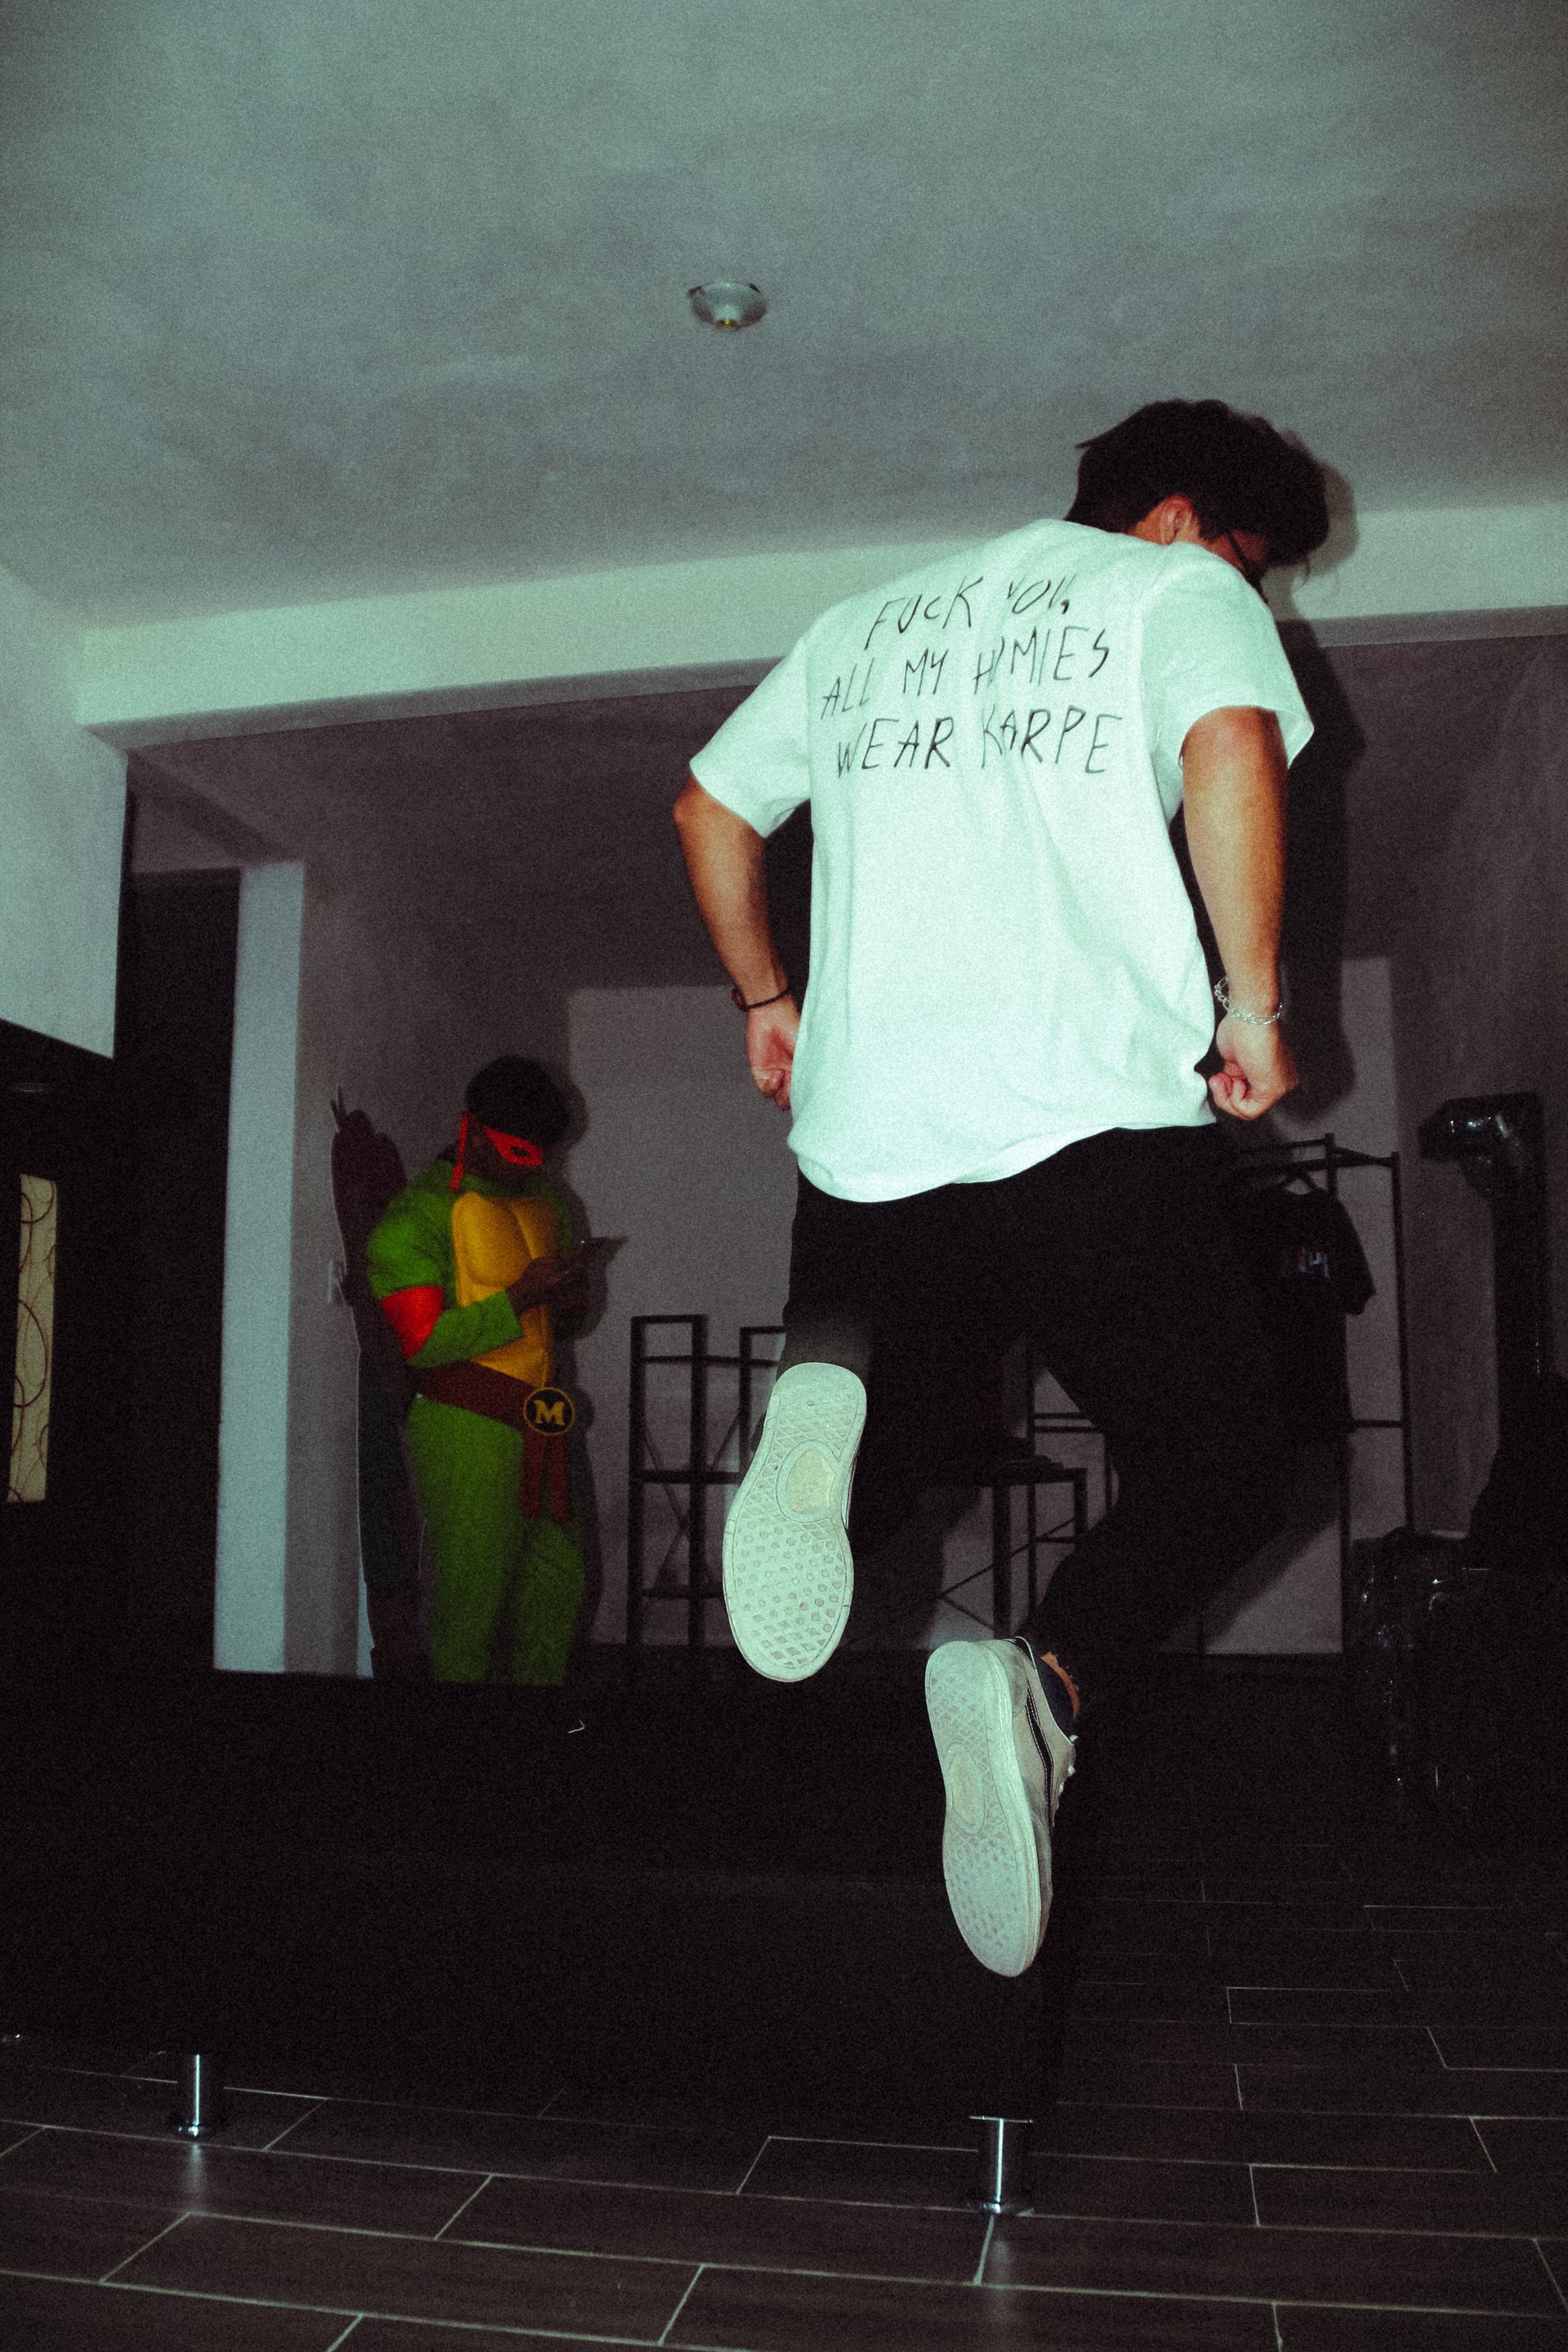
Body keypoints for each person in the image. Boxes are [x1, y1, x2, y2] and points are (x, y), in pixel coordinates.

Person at [673, 399, 1330, 1975]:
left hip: (866, 1145)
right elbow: (1229, 742)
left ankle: (824, 1398)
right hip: (1084, 1122)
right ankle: (1041, 1680)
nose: (1255, 590)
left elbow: (708, 809)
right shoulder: (1171, 593)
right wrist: (1253, 1005)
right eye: (1251, 559)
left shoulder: (855, 629)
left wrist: (770, 999)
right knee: (1224, 1456)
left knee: (887, 1457)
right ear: (1181, 519)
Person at [367, 1057, 596, 1685]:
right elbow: (423, 1344)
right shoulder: (414, 1219)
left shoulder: (549, 1201)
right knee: (472, 1597)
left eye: (541, 1156)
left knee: (559, 1585)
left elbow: (563, 1328)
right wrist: (520, 1296)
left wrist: (572, 1298)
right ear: (471, 1128)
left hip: (544, 1420)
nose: (531, 1168)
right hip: (464, 1422)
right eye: (518, 1151)